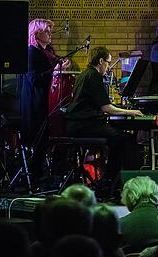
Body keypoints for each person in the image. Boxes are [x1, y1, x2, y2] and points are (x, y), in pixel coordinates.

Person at [65, 47, 143, 193]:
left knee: (118, 139)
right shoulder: (94, 76)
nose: (108, 67)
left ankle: (109, 181)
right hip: (85, 125)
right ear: (100, 61)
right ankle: (127, 184)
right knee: (126, 139)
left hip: (75, 124)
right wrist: (130, 111)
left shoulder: (84, 74)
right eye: (107, 63)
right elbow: (106, 108)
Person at [21, 19, 71, 183]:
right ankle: (36, 178)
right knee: (40, 141)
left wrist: (61, 65)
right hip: (36, 103)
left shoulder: (48, 51)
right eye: (47, 31)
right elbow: (34, 79)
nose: (50, 34)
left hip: (49, 102)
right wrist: (54, 71)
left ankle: (53, 173)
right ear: (37, 34)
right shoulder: (31, 53)